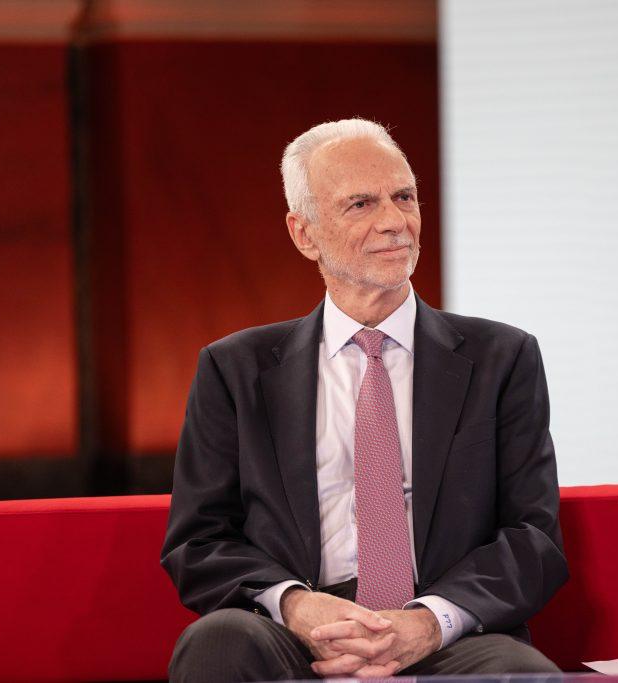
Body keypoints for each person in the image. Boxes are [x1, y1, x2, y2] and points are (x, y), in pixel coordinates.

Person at [162, 118, 567, 682]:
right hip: (296, 633)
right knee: (219, 643)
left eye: (405, 197)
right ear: (304, 233)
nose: (395, 221)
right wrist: (297, 607)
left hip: (444, 634)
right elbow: (200, 542)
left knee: (518, 675)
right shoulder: (235, 369)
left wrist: (428, 622)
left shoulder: (503, 357)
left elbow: (532, 537)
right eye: (361, 204)